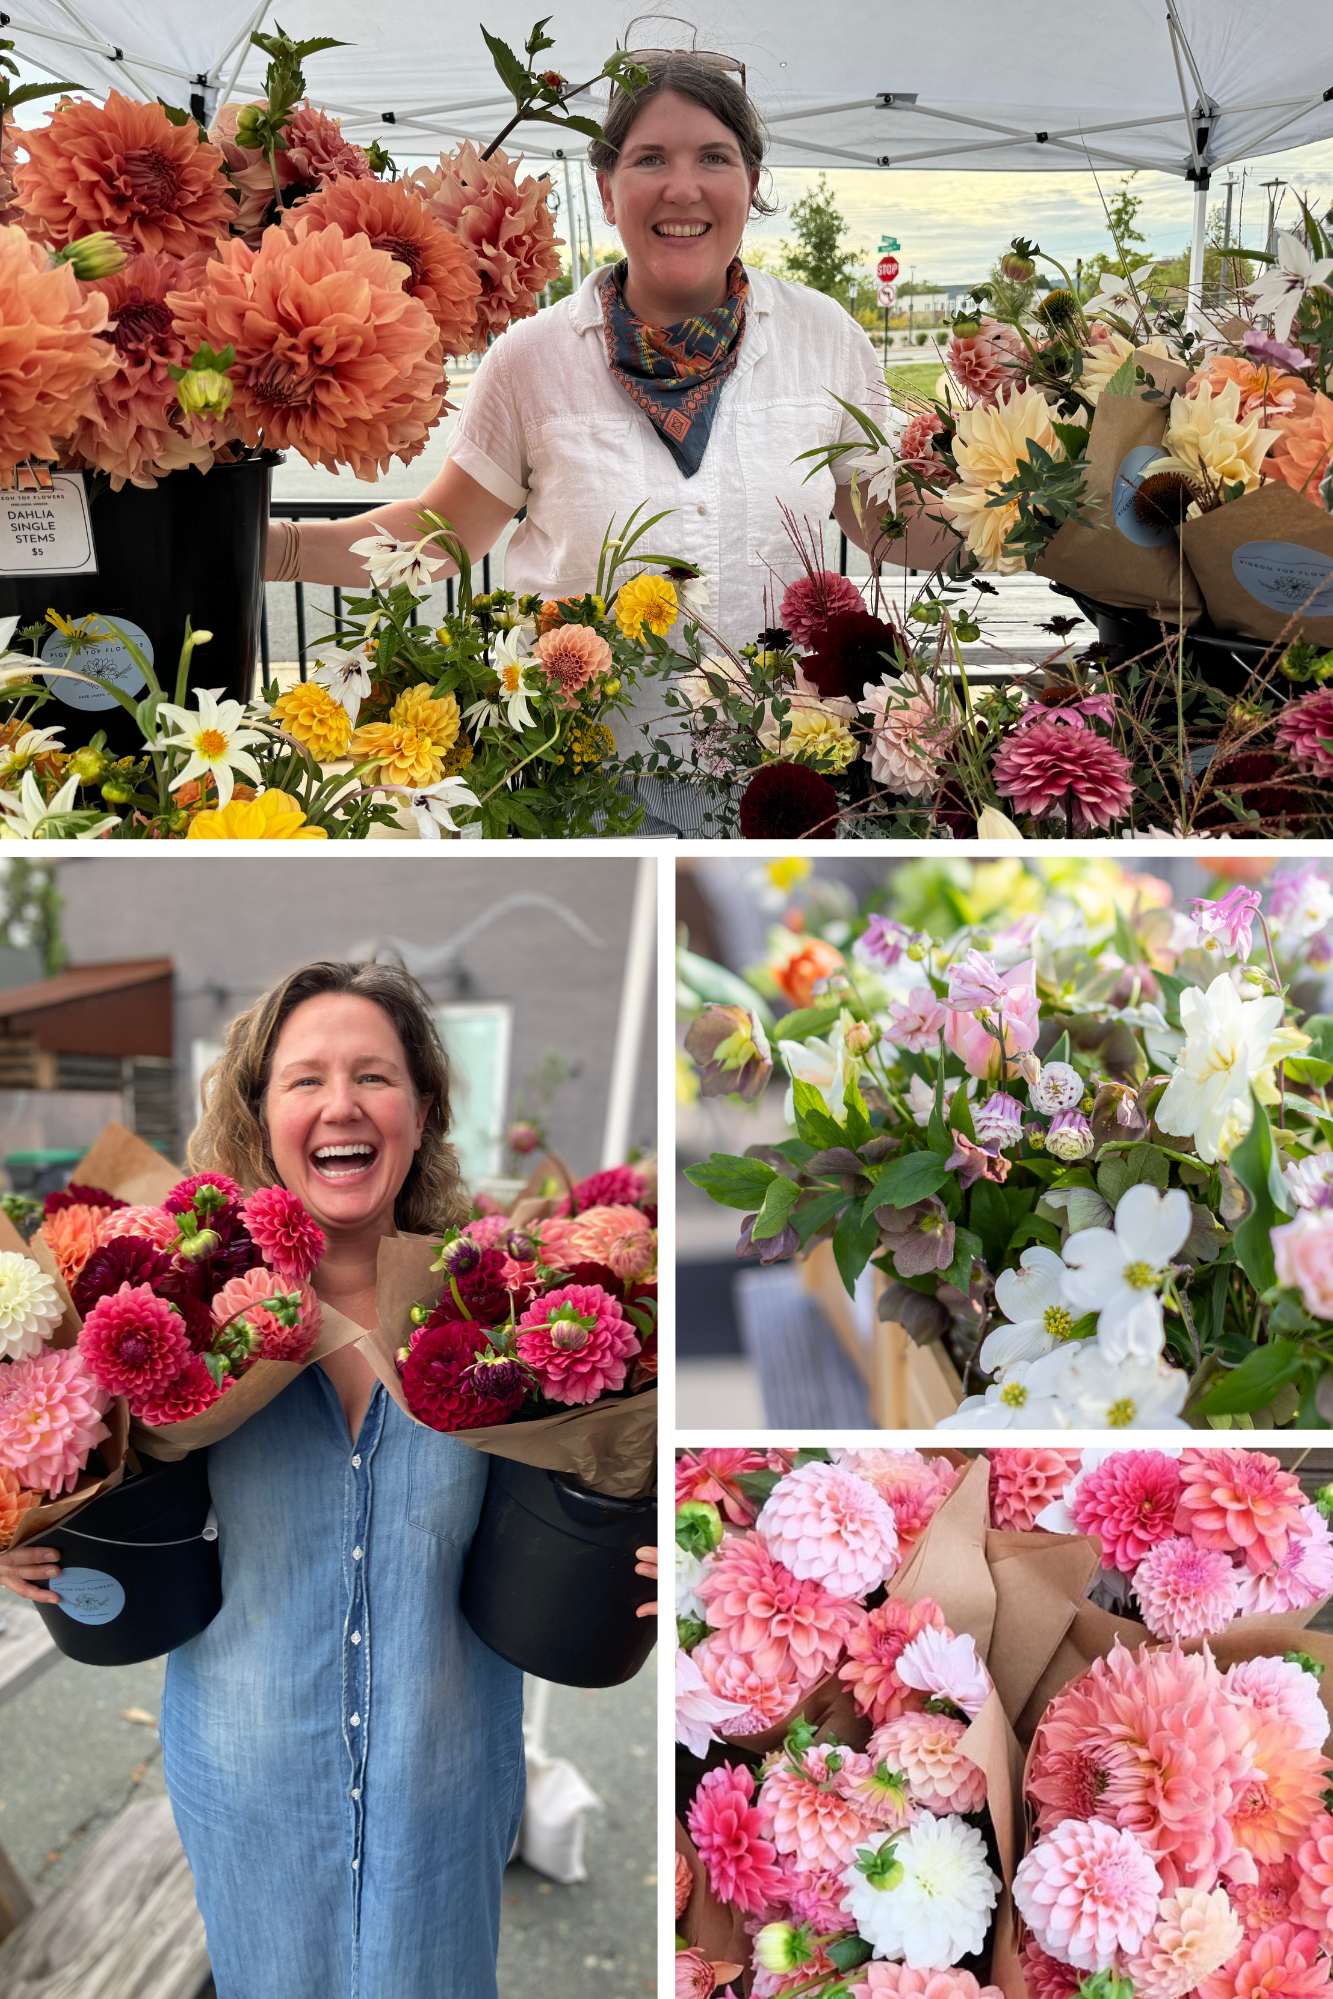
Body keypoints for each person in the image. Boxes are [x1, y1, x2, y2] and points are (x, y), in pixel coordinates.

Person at [0, 961, 656, 1999]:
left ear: (423, 1108)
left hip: (442, 1786)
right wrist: (28, 1528)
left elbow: (601, 1481)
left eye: (374, 1076)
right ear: (262, 1114)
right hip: (249, 1779)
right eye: (305, 1078)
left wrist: (663, 1535)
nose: (340, 1103)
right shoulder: (190, 1314)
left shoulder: (503, 1308)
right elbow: (82, 1462)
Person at [267, 52, 952, 832]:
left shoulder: (823, 338)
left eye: (714, 158)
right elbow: (439, 537)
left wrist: (1030, 516)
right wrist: (269, 548)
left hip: (780, 783)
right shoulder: (530, 358)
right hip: (584, 790)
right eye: (650, 159)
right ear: (606, 187)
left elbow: (884, 521)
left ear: (752, 183)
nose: (682, 187)